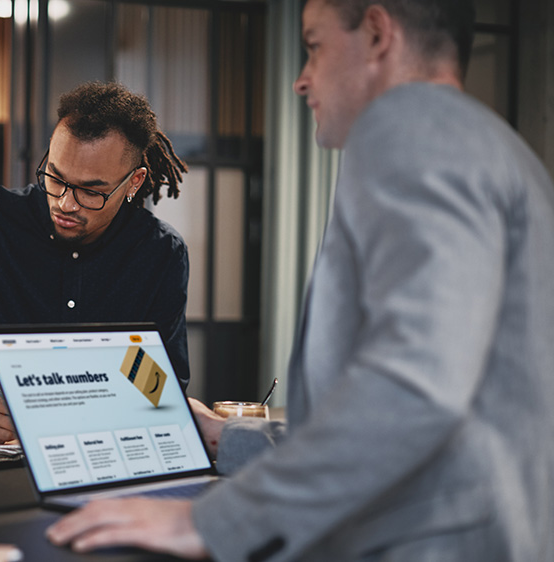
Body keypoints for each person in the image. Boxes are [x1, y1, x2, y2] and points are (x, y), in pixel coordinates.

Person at [47, 0, 554, 560]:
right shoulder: (508, 157)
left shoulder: (411, 131)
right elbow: (414, 432)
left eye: (313, 46)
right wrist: (227, 438)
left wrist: (213, 523)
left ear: (378, 33)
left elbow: (414, 387)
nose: (300, 80)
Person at [0, 82, 190, 443]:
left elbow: (163, 379)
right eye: (56, 177)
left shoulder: (160, 253)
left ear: (133, 182)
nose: (65, 203)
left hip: (103, 445)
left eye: (91, 191)